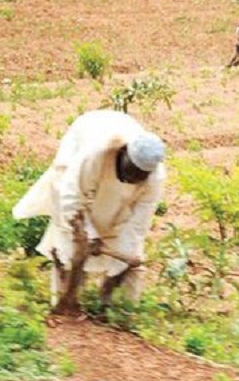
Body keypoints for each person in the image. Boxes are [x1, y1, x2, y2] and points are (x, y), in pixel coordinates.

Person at [12, 110, 166, 312]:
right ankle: (63, 304)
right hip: (78, 161)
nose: (133, 178)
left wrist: (116, 272)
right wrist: (88, 235)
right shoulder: (96, 153)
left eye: (140, 175)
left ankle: (121, 313)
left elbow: (136, 227)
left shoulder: (155, 179)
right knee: (69, 243)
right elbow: (72, 196)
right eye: (131, 170)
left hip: (112, 202)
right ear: (123, 153)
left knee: (130, 260)